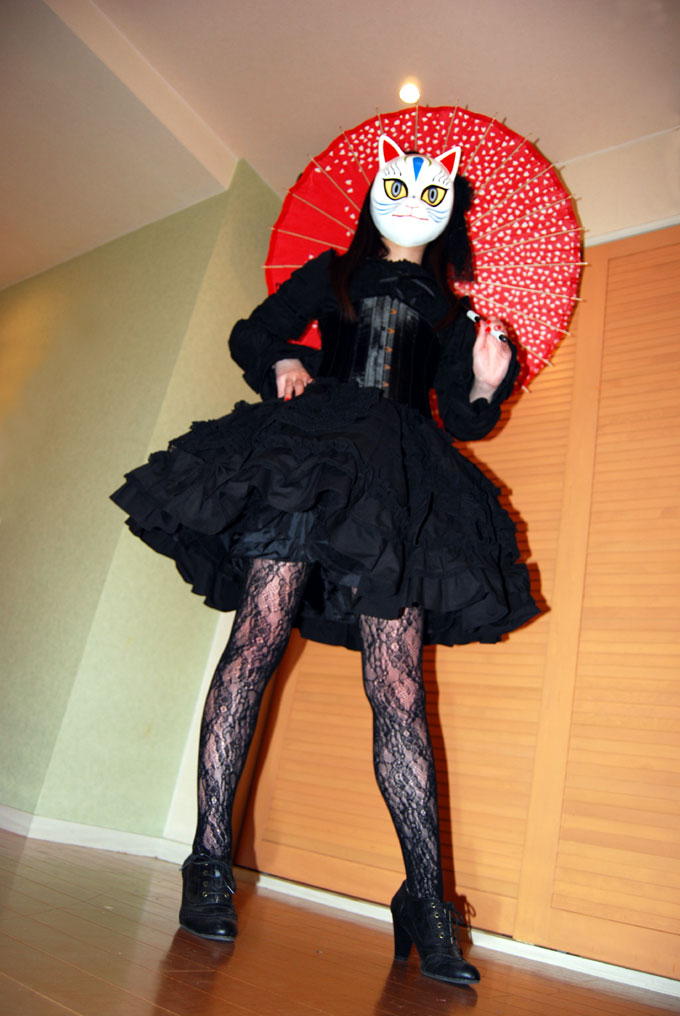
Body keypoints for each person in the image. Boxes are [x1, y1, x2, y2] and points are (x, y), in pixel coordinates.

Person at [111, 135, 538, 986]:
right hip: (312, 458)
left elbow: (460, 418)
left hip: (399, 484)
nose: (412, 202)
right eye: (398, 185)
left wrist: (488, 381)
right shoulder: (334, 273)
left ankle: (425, 900)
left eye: (429, 192)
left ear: (446, 212)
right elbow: (256, 331)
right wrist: (282, 359)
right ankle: (208, 858)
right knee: (256, 641)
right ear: (379, 195)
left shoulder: (457, 318)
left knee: (398, 687)